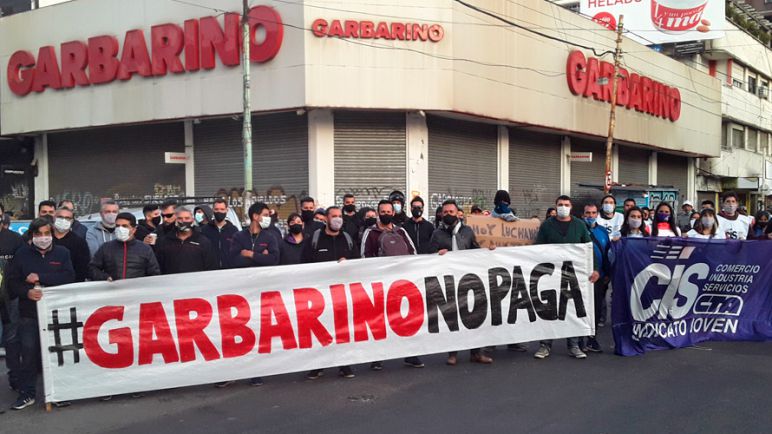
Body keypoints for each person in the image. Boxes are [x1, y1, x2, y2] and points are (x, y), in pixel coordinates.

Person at [6, 218, 75, 410]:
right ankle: (27, 393)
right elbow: (12, 283)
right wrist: (26, 292)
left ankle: (57, 392)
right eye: (38, 234)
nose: (43, 238)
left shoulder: (62, 253)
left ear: (52, 233)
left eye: (46, 233)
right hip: (29, 314)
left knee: (57, 353)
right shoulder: (21, 254)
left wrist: (41, 277)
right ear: (32, 236)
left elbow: (69, 277)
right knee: (28, 354)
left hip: (56, 314)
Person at [533, 196, 600, 360]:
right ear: (555, 207)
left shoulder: (579, 225)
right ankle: (545, 345)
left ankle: (574, 345)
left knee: (572, 309)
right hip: (551, 274)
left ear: (571, 207)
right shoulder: (547, 225)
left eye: (566, 205)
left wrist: (596, 269)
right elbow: (537, 249)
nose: (563, 207)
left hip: (573, 274)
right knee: (549, 308)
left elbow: (589, 248)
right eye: (560, 205)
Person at [429, 200, 494, 365]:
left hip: (468, 279)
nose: (448, 215)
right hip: (449, 281)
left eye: (451, 211)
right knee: (453, 318)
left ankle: (476, 353)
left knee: (474, 316)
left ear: (458, 213)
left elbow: (475, 250)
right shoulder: (437, 234)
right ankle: (453, 353)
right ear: (441, 214)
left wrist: (489, 252)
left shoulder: (467, 231)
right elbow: (427, 255)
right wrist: (436, 253)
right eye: (445, 212)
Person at [361, 200, 422, 369]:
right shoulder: (370, 232)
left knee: (406, 318)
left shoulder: (401, 231)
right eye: (383, 211)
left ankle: (410, 354)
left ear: (393, 213)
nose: (386, 214)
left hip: (401, 283)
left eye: (389, 211)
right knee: (380, 321)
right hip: (380, 284)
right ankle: (377, 357)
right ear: (378, 212)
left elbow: (413, 253)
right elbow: (364, 257)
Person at [224, 202, 280, 387]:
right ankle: (236, 368)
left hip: (262, 290)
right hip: (243, 291)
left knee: (260, 329)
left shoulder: (270, 236)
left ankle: (257, 371)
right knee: (240, 331)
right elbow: (233, 259)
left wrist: (251, 254)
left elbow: (273, 260)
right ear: (255, 216)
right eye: (265, 214)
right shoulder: (239, 236)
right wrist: (259, 255)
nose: (268, 217)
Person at [302, 206, 357, 380]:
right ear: (326, 218)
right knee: (321, 329)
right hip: (320, 293)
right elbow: (304, 263)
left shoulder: (347, 239)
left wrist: (348, 263)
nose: (338, 219)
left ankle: (344, 364)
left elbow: (358, 263)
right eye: (334, 216)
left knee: (342, 329)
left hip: (342, 293)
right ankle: (319, 365)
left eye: (340, 216)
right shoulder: (315, 239)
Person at [89, 213, 161, 281]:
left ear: (134, 229)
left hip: (136, 291)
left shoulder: (145, 249)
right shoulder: (106, 248)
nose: (120, 229)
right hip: (113, 290)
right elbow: (92, 268)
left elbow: (154, 273)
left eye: (124, 226)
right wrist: (105, 277)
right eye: (117, 226)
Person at [0, 203, 25, 395]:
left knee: (12, 338)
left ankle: (15, 377)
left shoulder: (15, 239)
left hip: (11, 297)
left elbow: (22, 268)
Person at [582, 203, 611, 353]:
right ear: (583, 214)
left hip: (599, 276)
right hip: (581, 276)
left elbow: (607, 253)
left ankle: (592, 339)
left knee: (596, 309)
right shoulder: (579, 229)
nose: (590, 216)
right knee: (581, 309)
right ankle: (580, 339)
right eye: (588, 213)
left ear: (597, 214)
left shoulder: (602, 231)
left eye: (593, 213)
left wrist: (606, 273)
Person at [156, 208, 217, 275]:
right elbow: (159, 266)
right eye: (180, 218)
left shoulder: (203, 241)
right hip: (172, 282)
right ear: (176, 220)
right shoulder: (164, 241)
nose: (183, 221)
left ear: (192, 220)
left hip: (196, 282)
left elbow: (210, 266)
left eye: (187, 218)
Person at [52, 207, 90, 282]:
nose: (63, 220)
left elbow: (82, 270)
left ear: (72, 221)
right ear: (54, 218)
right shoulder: (45, 239)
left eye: (67, 218)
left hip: (70, 287)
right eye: (60, 217)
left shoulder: (80, 243)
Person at [201, 199, 240, 269]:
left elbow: (237, 251)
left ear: (226, 210)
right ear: (213, 210)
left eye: (222, 209)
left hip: (229, 270)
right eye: (216, 209)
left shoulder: (234, 230)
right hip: (209, 270)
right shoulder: (204, 230)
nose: (219, 212)